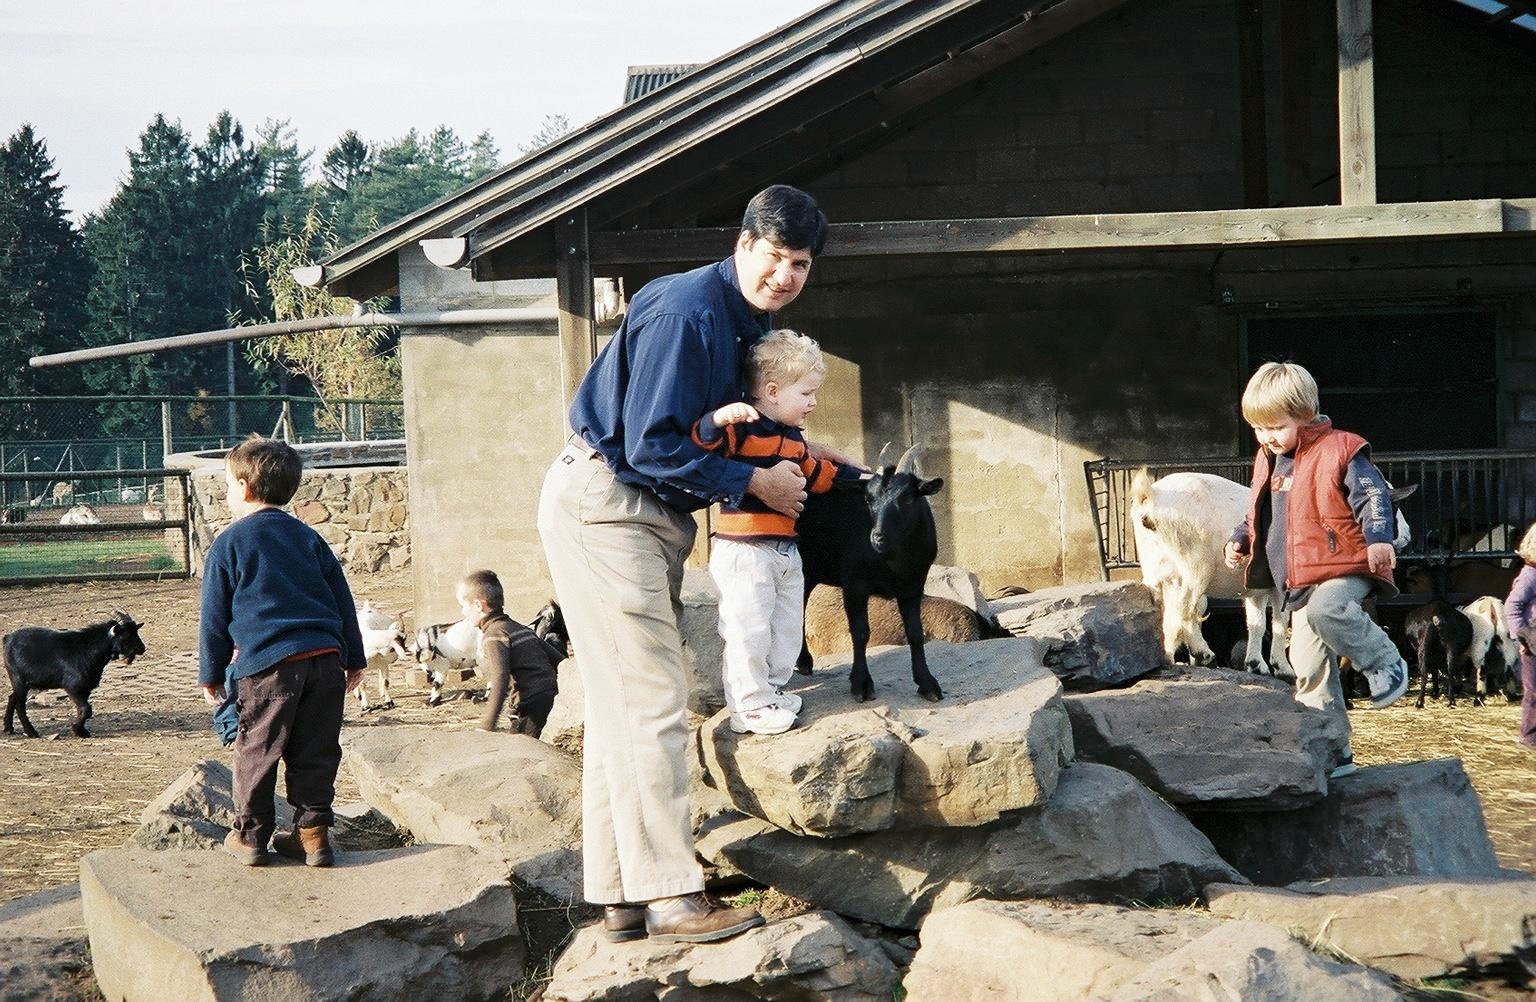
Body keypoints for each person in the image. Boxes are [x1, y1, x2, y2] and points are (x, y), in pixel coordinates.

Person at [538, 184, 857, 944]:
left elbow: (719, 432)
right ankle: (674, 896)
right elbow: (652, 444)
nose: (786, 275)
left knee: (624, 709)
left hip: (641, 513)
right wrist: (751, 481)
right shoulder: (689, 311)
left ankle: (620, 898)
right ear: (744, 243)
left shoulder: (750, 320)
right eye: (776, 257)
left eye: (801, 264)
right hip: (607, 505)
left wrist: (814, 461)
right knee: (654, 701)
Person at [1223, 362, 1410, 777]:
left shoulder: (1341, 449)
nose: (1267, 437)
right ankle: (1333, 750)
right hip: (1301, 580)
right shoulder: (1268, 461)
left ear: (1305, 415)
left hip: (1346, 563)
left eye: (1276, 426)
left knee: (1330, 610)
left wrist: (1379, 537)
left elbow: (1373, 495)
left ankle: (1385, 662)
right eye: (1259, 428)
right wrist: (1241, 537)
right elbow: (1261, 513)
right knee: (1308, 668)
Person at [198, 435, 367, 867]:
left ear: (245, 488)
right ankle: (313, 836)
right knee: (316, 749)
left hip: (268, 667)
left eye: (229, 486)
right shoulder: (309, 539)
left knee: (258, 747)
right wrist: (353, 658)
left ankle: (252, 837)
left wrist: (211, 673)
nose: (228, 493)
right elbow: (342, 601)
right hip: (325, 659)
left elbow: (214, 618)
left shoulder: (229, 544)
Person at [692, 329, 859, 735]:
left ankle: (771, 690)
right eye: (806, 394)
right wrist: (717, 419)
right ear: (771, 391)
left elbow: (818, 475)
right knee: (747, 625)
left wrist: (861, 476)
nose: (814, 402)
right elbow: (702, 442)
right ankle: (747, 706)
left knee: (785, 624)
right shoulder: (743, 426)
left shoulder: (793, 440)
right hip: (744, 549)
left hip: (785, 548)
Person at [459, 569, 561, 737]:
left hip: (529, 707)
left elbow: (500, 676)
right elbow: (560, 660)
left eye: (464, 605)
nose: (463, 612)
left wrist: (487, 724)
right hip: (550, 699)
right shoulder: (522, 629)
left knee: (523, 756)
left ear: (479, 605)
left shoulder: (493, 636)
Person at [1503, 525, 1536, 748]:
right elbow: (1512, 606)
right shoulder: (1531, 574)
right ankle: (1529, 737)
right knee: (1533, 691)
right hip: (1533, 639)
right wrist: (1521, 636)